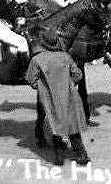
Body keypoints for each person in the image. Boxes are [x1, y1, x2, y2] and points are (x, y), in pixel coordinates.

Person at [25, 26, 90, 166]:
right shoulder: (66, 57)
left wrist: (42, 87)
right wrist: (69, 82)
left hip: (51, 97)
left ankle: (59, 157)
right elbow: (78, 75)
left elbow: (30, 78)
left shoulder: (37, 60)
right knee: (73, 127)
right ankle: (82, 155)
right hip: (69, 96)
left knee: (56, 127)